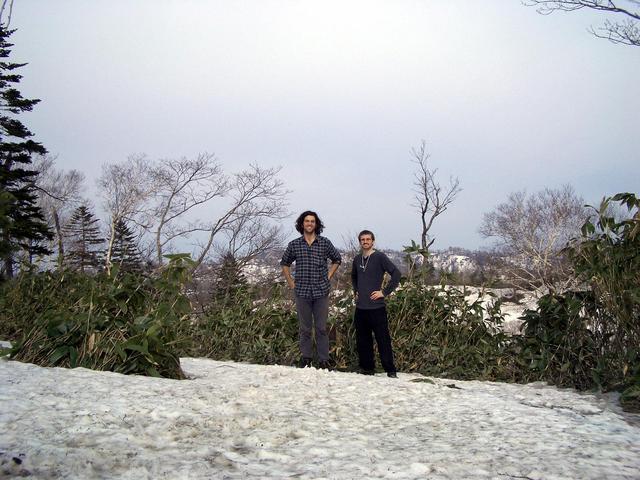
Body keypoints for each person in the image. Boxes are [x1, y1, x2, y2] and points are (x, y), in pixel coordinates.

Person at [281, 211, 341, 369]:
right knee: (305, 328)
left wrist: (328, 275)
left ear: (316, 224)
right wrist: (291, 282)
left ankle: (323, 359)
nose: (309, 224)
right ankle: (306, 358)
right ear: (302, 224)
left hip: (321, 291)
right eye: (306, 221)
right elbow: (284, 263)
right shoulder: (295, 244)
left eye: (312, 221)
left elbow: (337, 259)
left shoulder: (324, 243)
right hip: (302, 291)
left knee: (321, 328)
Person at [351, 230, 401, 378]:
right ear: (360, 242)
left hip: (376, 308)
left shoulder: (379, 257)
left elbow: (396, 274)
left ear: (373, 241)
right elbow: (354, 276)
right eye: (362, 239)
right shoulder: (357, 259)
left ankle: (390, 370)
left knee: (383, 339)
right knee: (363, 340)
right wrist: (356, 290)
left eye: (368, 239)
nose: (365, 242)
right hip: (361, 308)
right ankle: (367, 369)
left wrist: (384, 292)